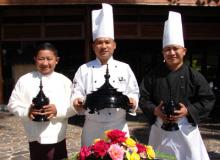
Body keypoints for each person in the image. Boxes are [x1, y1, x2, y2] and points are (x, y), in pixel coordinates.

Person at [139, 11, 215, 160]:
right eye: (167, 49)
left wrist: (188, 111)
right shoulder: (152, 75)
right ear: (163, 52)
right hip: (160, 129)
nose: (171, 52)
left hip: (186, 129)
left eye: (175, 48)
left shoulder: (194, 75)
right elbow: (143, 97)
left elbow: (208, 99)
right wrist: (155, 111)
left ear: (184, 51)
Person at [71, 3, 139, 146]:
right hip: (92, 127)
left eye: (107, 42)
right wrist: (77, 101)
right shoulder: (84, 69)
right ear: (93, 46)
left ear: (114, 45)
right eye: (99, 42)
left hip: (118, 126)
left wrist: (132, 100)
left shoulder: (124, 68)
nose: (103, 46)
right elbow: (76, 93)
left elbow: (133, 91)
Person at [7, 42, 76, 160]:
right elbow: (12, 104)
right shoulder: (25, 80)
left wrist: (57, 110)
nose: (45, 63)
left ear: (56, 60)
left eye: (49, 59)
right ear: (35, 60)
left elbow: (74, 107)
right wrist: (27, 111)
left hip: (57, 136)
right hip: (34, 136)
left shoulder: (64, 81)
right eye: (41, 59)